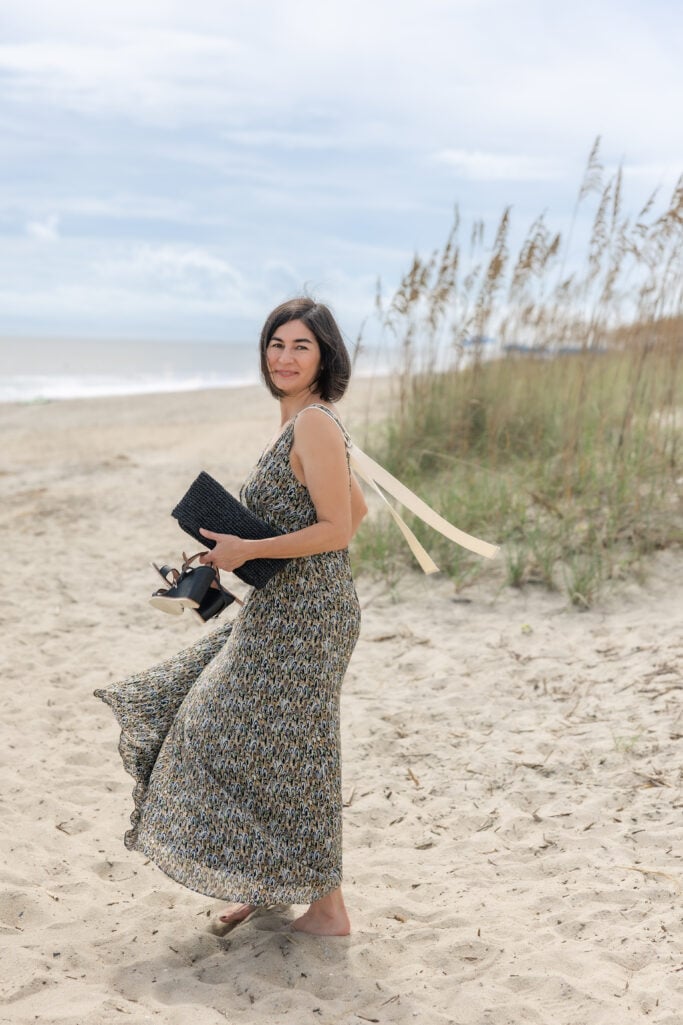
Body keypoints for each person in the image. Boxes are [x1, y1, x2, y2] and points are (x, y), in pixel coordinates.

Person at [95, 297, 367, 937]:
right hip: (283, 602)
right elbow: (356, 513)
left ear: (325, 355)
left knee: (280, 745)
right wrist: (233, 555)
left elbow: (338, 530)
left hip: (311, 614)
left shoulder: (317, 425)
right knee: (254, 741)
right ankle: (267, 883)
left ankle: (328, 910)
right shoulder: (296, 423)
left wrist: (252, 548)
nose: (285, 357)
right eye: (276, 344)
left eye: (301, 346)